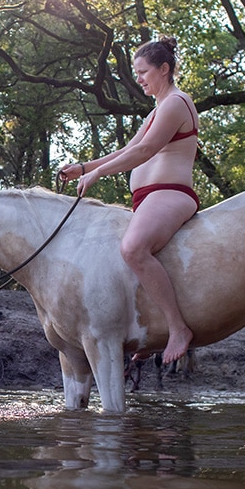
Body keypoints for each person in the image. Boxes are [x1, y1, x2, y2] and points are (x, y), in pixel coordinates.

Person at [58, 35, 198, 365]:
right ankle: (149, 331)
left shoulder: (176, 103)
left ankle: (178, 328)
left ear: (164, 70)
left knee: (133, 248)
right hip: (150, 199)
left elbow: (145, 151)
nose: (139, 79)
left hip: (170, 193)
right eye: (137, 73)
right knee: (118, 257)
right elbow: (127, 149)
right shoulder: (156, 111)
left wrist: (98, 174)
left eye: (143, 72)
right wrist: (84, 168)